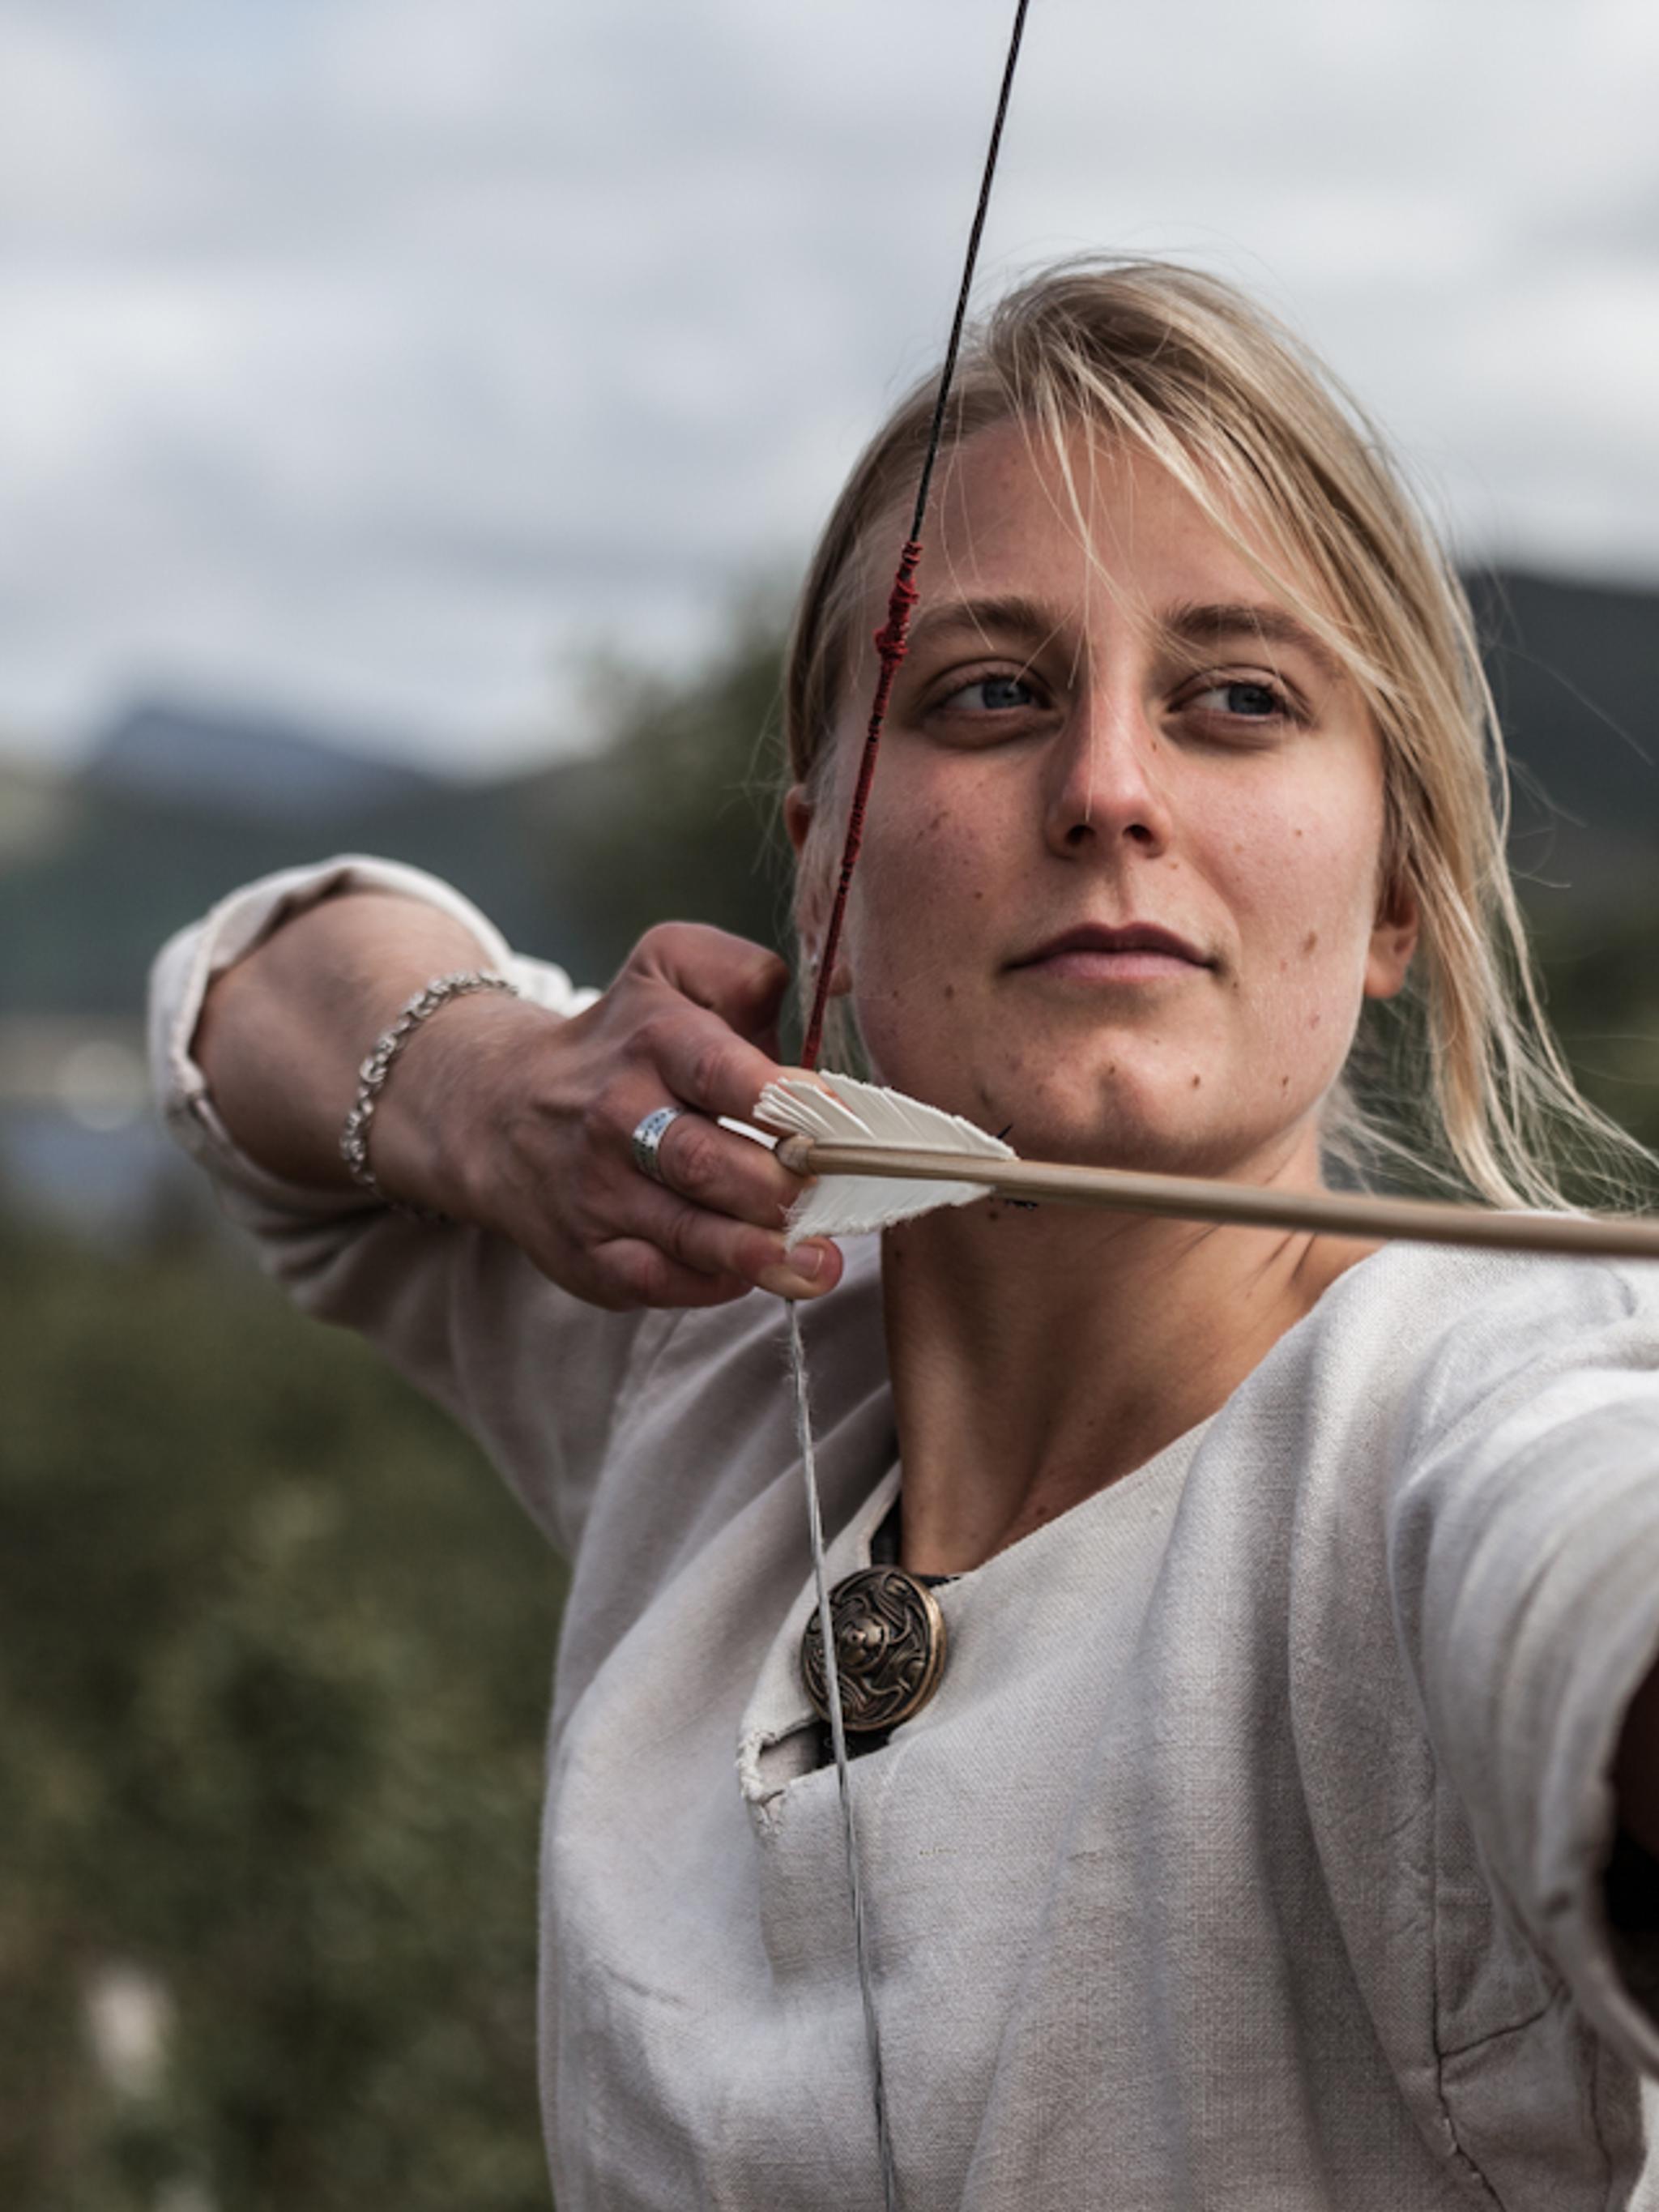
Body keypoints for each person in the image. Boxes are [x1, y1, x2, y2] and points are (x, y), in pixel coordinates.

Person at [149, 259, 1659, 2210]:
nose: (1109, 788)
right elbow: (245, 995)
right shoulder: (709, 1309)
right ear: (825, 871)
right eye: (992, 692)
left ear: (1394, 903)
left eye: (1237, 701)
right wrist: (477, 1086)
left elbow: (1589, 1567)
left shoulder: (1468, 1406)